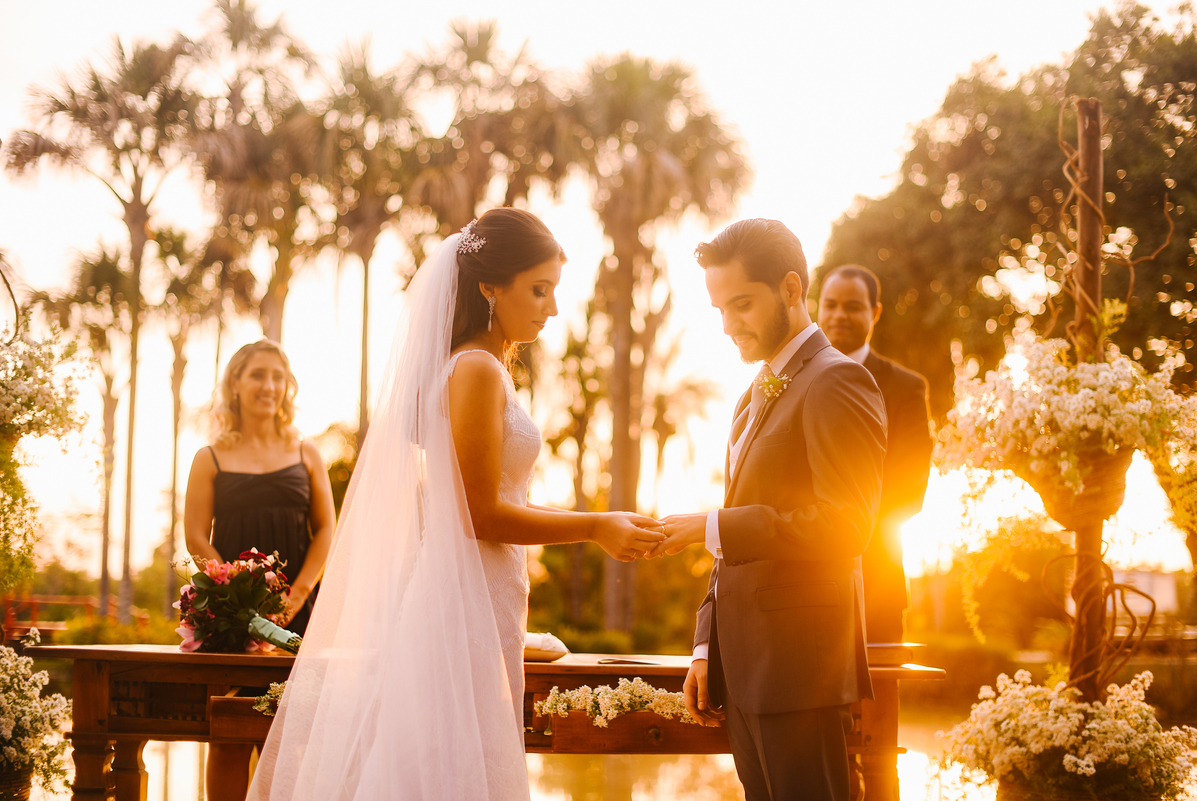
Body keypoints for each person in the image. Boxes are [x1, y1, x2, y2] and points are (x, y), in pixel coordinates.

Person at [247, 208, 663, 801]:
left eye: (553, 291)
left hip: (485, 597)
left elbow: (488, 499)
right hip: (465, 600)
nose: (551, 307)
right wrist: (596, 526)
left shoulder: (480, 369)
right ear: (490, 286)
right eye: (539, 289)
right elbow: (479, 516)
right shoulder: (476, 370)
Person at [650, 219, 886, 801]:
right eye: (720, 310)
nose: (728, 325)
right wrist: (706, 647)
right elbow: (734, 540)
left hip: (800, 672)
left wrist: (709, 525)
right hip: (743, 673)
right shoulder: (750, 396)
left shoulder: (838, 380)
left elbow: (846, 526)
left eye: (742, 305)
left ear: (790, 289)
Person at [182, 339, 337, 800]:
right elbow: (195, 536)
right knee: (228, 734)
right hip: (231, 620)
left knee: (293, 736)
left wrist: (294, 599)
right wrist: (236, 602)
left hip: (298, 618)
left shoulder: (306, 452)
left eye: (277, 376)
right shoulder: (209, 457)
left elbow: (327, 529)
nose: (269, 385)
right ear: (235, 383)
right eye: (257, 375)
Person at [818, 264, 933, 644]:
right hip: (793, 589)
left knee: (879, 685)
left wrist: (828, 529)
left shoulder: (905, 388)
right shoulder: (788, 382)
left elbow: (909, 488)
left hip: (875, 584)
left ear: (875, 312)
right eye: (830, 304)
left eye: (852, 306)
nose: (839, 315)